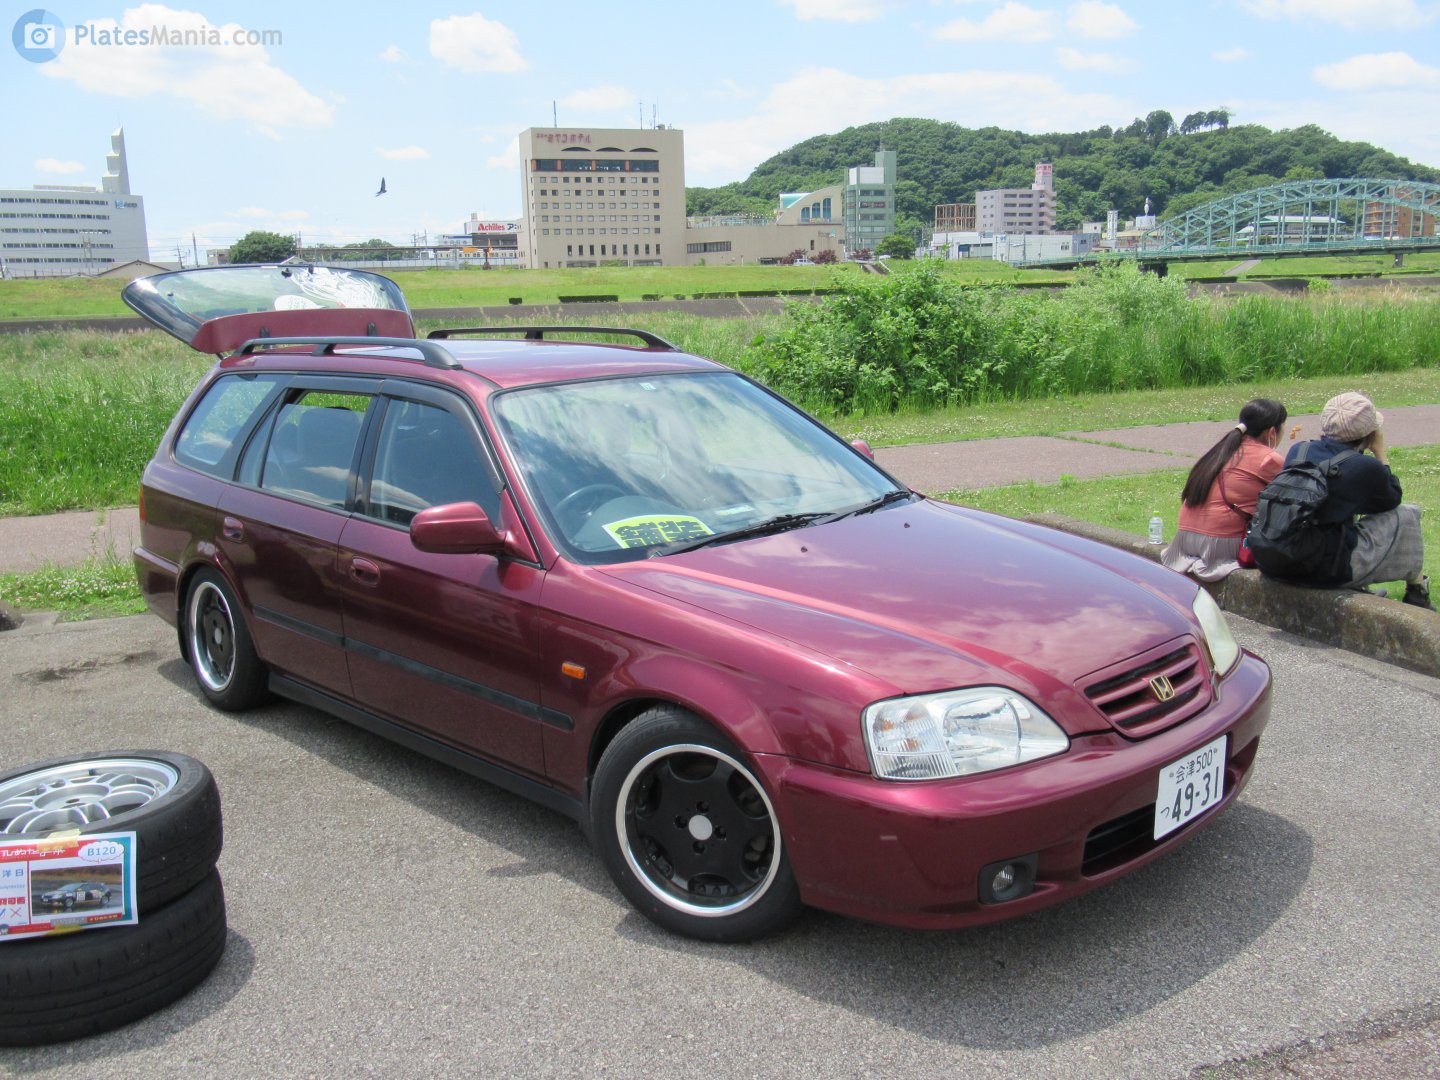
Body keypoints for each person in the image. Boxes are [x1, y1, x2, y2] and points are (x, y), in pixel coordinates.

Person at [1259, 391, 1431, 608]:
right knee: (1407, 514)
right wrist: (1380, 454)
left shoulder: (1299, 450)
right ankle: (1418, 590)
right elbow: (1392, 498)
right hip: (1321, 570)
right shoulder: (1366, 467)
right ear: (1369, 434)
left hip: (1277, 559)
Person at [1162, 398, 1288, 582]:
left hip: (1183, 540)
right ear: (1272, 432)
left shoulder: (1220, 451)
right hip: (1216, 545)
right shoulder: (1269, 459)